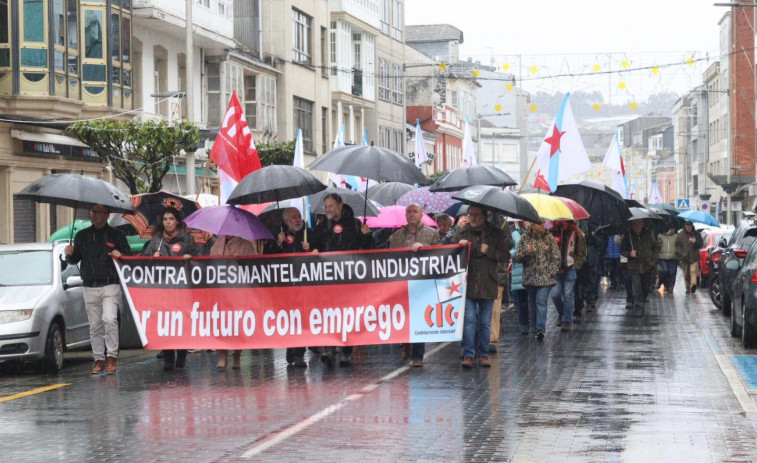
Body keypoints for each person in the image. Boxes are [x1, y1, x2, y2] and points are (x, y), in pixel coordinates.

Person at [64, 204, 130, 375]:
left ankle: (112, 357)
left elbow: (127, 257)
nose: (94, 215)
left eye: (99, 212)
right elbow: (73, 260)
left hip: (110, 283)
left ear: (107, 214)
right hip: (89, 285)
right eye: (93, 212)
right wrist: (69, 254)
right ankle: (99, 359)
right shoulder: (82, 236)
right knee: (94, 325)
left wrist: (120, 255)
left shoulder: (117, 235)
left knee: (109, 320)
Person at [312, 193, 373, 367]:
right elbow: (315, 247)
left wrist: (366, 235)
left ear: (340, 205)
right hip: (329, 280)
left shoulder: (355, 224)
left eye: (331, 206)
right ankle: (330, 351)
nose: (328, 209)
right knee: (330, 314)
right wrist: (313, 250)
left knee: (348, 316)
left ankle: (347, 351)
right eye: (326, 206)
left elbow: (369, 250)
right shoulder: (322, 226)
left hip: (350, 279)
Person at [452, 205, 510, 369]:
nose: (473, 218)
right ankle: (469, 353)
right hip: (468, 284)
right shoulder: (462, 232)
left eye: (477, 215)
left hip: (487, 282)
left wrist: (489, 251)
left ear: (485, 216)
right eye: (471, 214)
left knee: (485, 322)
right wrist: (459, 246)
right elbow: (449, 251)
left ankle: (483, 354)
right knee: (469, 320)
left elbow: (505, 255)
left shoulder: (496, 233)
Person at [142, 207, 199, 371]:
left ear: (177, 221)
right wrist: (153, 258)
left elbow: (199, 259)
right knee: (165, 322)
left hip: (182, 290)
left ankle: (181, 354)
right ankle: (168, 357)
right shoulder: (156, 241)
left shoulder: (187, 240)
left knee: (181, 322)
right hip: (163, 290)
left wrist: (190, 258)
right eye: (165, 219)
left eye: (171, 219)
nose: (168, 222)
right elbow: (143, 261)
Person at [266, 207, 319, 367]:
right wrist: (278, 243)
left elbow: (320, 253)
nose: (297, 220)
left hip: (305, 285)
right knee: (291, 320)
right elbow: (268, 257)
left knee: (302, 318)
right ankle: (293, 347)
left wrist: (310, 250)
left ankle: (299, 353)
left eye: (299, 216)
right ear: (286, 221)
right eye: (293, 217)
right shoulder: (278, 234)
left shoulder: (309, 233)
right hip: (286, 287)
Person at [388, 203, 440, 367]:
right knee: (403, 316)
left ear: (421, 214)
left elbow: (440, 254)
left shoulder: (432, 234)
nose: (411, 214)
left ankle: (418, 354)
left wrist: (425, 248)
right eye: (408, 212)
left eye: (415, 211)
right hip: (401, 282)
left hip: (422, 283)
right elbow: (390, 258)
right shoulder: (396, 236)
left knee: (419, 317)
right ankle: (405, 344)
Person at [211, 234, 258, 370]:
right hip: (221, 290)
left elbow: (255, 265)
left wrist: (241, 262)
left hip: (239, 290)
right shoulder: (216, 246)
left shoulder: (246, 245)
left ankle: (236, 354)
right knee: (221, 323)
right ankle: (222, 355)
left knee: (237, 323)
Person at [513, 220, 560, 341]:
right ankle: (534, 328)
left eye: (544, 223)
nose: (543, 226)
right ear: (533, 224)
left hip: (545, 279)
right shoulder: (525, 238)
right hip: (530, 278)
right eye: (540, 223)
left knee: (541, 302)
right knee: (532, 303)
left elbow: (556, 257)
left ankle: (540, 329)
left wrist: (551, 271)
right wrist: (526, 252)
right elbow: (517, 257)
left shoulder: (549, 238)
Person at [549, 220, 586, 331]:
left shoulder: (576, 231)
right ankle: (562, 313)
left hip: (570, 268)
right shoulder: (552, 231)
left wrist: (576, 264)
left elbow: (582, 252)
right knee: (555, 295)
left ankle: (566, 320)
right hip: (556, 270)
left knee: (568, 294)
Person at [621, 219, 661, 317]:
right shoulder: (628, 235)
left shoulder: (649, 234)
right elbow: (622, 250)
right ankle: (638, 308)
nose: (637, 226)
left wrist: (653, 259)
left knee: (645, 287)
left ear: (643, 224)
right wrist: (630, 253)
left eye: (639, 223)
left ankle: (641, 302)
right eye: (635, 223)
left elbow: (656, 247)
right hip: (634, 266)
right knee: (637, 287)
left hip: (648, 265)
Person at [489, 215, 514, 353]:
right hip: (478, 273)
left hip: (497, 271)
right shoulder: (474, 218)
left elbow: (510, 244)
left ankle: (492, 340)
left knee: (494, 308)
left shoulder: (501, 222)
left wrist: (500, 236)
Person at [510, 221, 529, 334]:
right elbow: (510, 252)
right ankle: (524, 323)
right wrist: (522, 252)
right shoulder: (514, 234)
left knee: (531, 300)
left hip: (532, 272)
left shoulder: (532, 235)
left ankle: (534, 323)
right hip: (519, 272)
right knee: (522, 301)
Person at [676, 220, 704, 294]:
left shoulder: (696, 234)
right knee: (686, 274)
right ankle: (688, 288)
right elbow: (678, 245)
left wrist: (695, 241)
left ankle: (693, 285)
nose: (688, 227)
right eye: (687, 226)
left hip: (694, 257)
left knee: (693, 271)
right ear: (685, 226)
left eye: (690, 226)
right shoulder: (680, 235)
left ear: (692, 226)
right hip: (685, 257)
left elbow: (701, 244)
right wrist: (680, 253)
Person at [658, 227, 678, 293]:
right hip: (663, 257)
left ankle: (671, 287)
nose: (672, 230)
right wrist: (659, 239)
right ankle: (666, 285)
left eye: (673, 229)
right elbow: (658, 246)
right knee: (664, 271)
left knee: (672, 273)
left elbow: (679, 245)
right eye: (671, 229)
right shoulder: (661, 236)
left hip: (673, 257)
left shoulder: (676, 236)